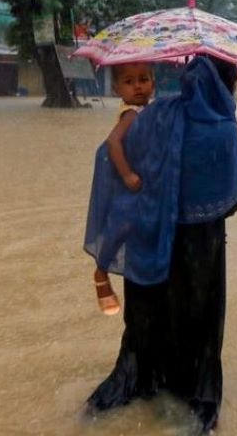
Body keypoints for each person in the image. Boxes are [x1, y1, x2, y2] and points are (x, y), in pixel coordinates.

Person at [84, 55, 237, 433]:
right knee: (198, 318)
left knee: (152, 316)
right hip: (201, 247)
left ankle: (140, 383)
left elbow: (110, 155)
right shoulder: (222, 127)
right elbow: (235, 198)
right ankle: (196, 395)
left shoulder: (156, 116)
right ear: (226, 85)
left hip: (152, 235)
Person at [90, 63, 154, 316]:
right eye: (129, 82)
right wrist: (127, 174)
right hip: (126, 180)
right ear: (117, 89)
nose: (138, 86)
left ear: (154, 83)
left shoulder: (148, 109)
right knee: (120, 224)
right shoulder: (131, 114)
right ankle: (101, 271)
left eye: (144, 79)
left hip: (140, 180)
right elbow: (113, 142)